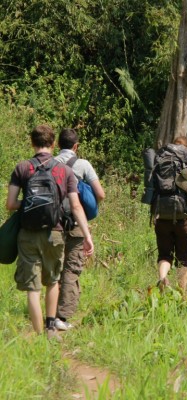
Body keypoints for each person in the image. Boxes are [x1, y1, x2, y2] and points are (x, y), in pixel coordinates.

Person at [5, 125, 94, 339]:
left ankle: (37, 337)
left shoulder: (22, 168)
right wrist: (87, 235)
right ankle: (50, 328)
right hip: (55, 232)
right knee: (53, 281)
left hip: (27, 234)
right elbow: (75, 206)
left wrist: (27, 203)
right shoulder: (65, 171)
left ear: (32, 142)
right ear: (53, 144)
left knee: (32, 289)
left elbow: (10, 204)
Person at [54, 128, 105, 331]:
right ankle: (62, 316)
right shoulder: (83, 164)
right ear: (76, 146)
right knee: (71, 269)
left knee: (54, 267)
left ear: (58, 145)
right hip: (75, 223)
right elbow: (100, 194)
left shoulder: (49, 163)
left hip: (52, 223)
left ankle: (49, 313)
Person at [155, 136, 187, 295]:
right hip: (182, 220)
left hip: (162, 218)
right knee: (183, 259)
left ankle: (163, 277)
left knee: (164, 255)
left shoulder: (162, 165)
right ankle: (181, 294)